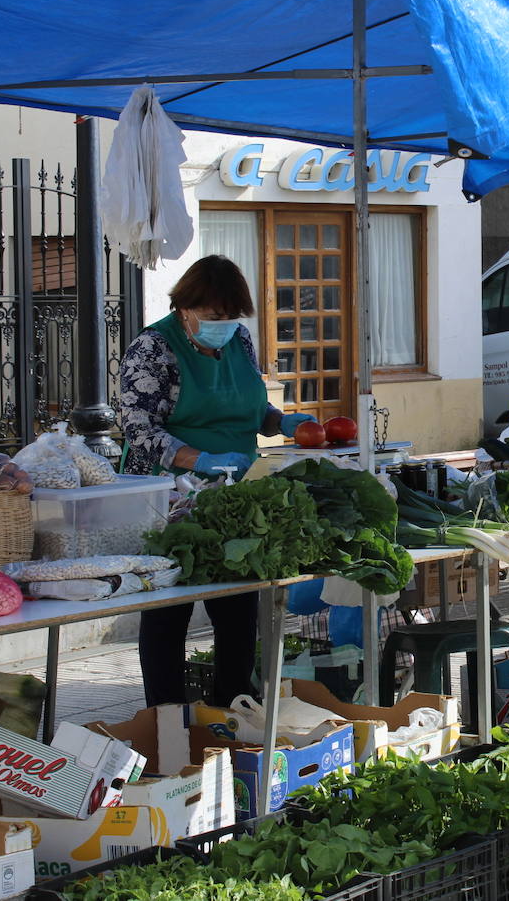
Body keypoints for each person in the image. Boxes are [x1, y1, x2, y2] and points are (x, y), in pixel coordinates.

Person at [120, 254, 315, 707]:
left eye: (230, 316)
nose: (223, 324)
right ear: (185, 307)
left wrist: (281, 423)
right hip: (169, 499)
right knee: (170, 608)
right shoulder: (153, 349)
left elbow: (250, 406)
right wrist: (199, 459)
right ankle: (165, 718)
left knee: (238, 608)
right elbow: (140, 431)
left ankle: (235, 709)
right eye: (213, 316)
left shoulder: (239, 341)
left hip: (235, 494)